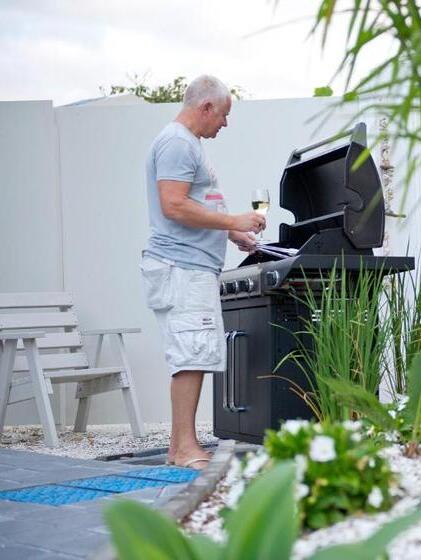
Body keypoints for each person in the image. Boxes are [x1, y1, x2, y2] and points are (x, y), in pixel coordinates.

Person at [140, 75, 264, 469]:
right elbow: (173, 205)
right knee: (191, 356)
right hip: (182, 268)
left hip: (190, 266)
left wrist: (232, 232)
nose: (224, 124)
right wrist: (234, 218)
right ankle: (185, 448)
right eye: (224, 115)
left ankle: (182, 447)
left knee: (193, 353)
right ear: (206, 107)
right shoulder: (177, 143)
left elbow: (190, 204)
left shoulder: (185, 144)